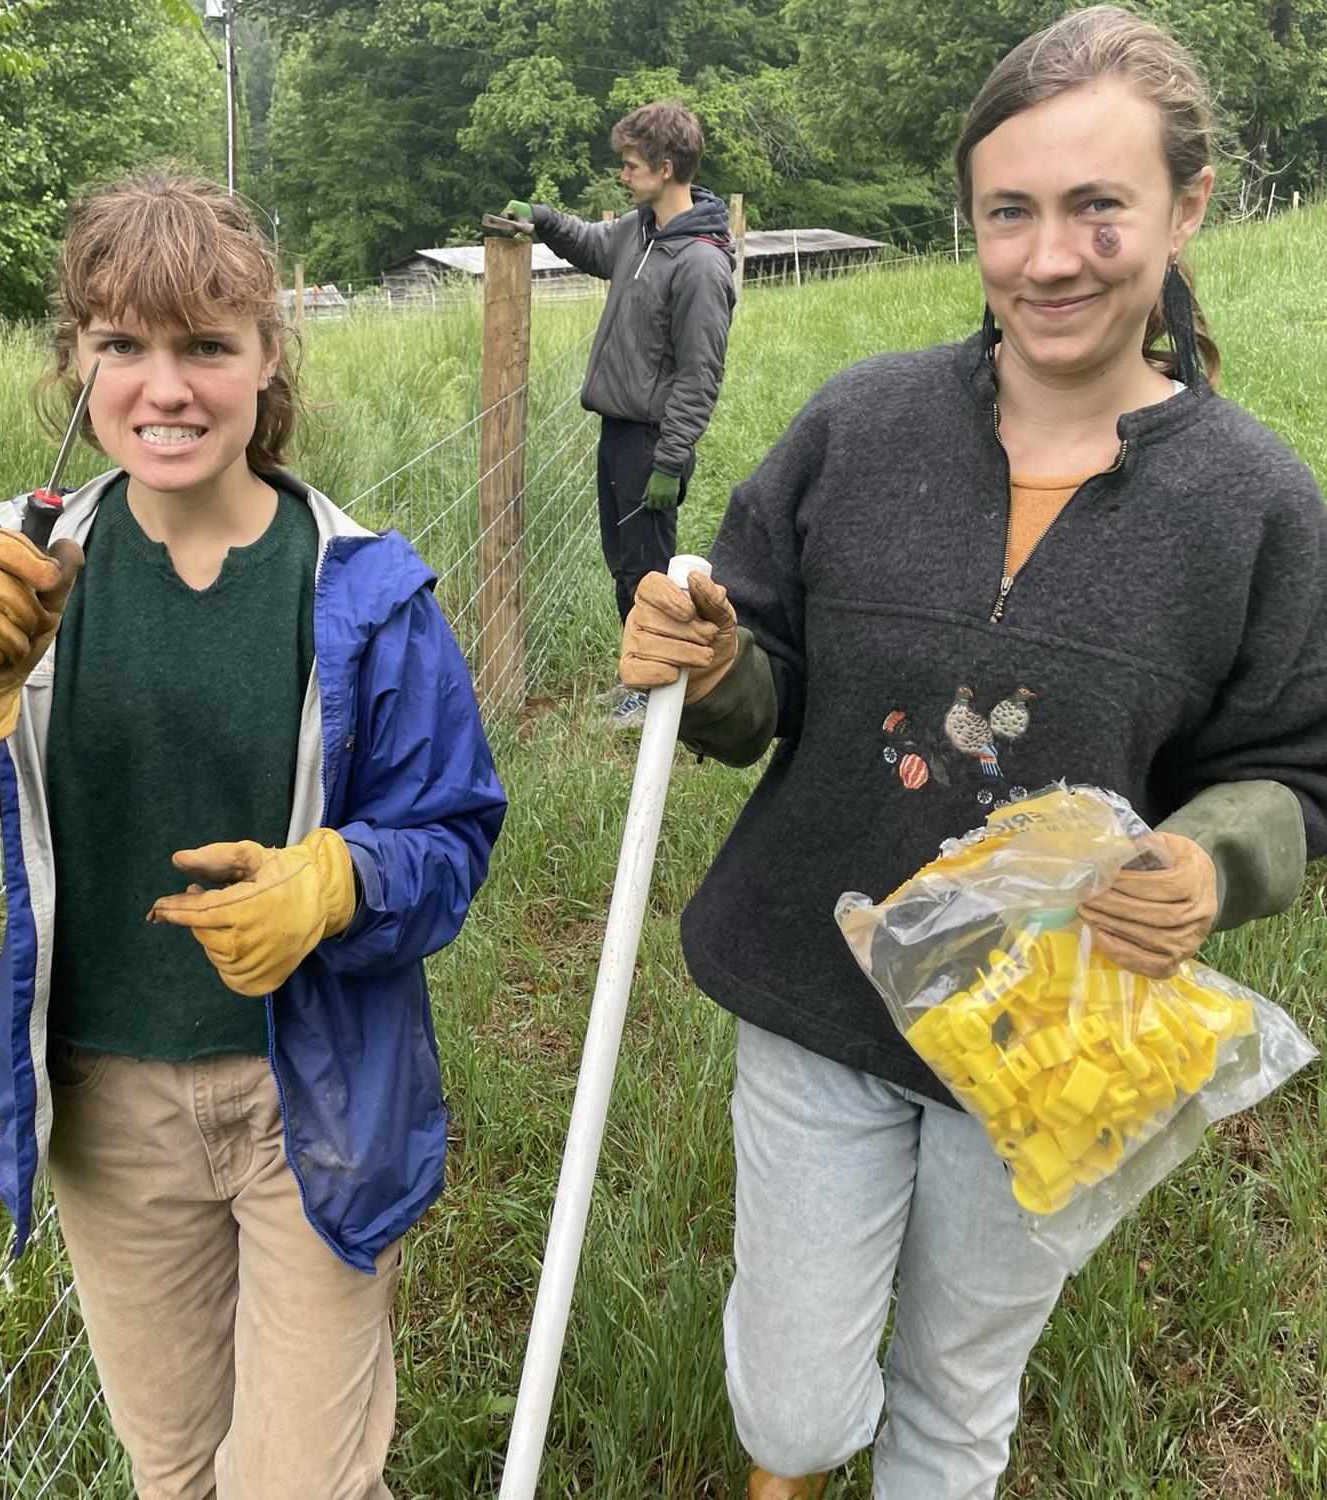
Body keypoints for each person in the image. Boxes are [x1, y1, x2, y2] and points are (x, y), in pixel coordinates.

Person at [617, 9, 1327, 1498]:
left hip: (1057, 1036)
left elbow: (1298, 767)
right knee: (801, 1415)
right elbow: (767, 678)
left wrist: (1211, 859)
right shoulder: (859, 424)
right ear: (975, 220)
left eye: (1098, 208)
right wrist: (714, 659)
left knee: (954, 1390)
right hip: (817, 984)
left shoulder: (1256, 504)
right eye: (1011, 212)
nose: (1049, 257)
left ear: (1186, 209)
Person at [0, 174, 506, 1500]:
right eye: (121, 345)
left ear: (267, 360)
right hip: (109, 1115)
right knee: (176, 1473)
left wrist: (337, 881)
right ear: (75, 367)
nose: (166, 385)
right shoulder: (17, 584)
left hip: (307, 1099)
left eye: (206, 344)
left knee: (298, 1486)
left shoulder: (368, 594)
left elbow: (454, 836)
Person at [501, 99, 737, 728]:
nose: (623, 175)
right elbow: (590, 242)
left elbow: (700, 373)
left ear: (665, 167)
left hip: (652, 441)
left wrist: (670, 459)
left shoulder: (701, 263)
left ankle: (659, 693)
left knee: (649, 573)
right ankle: (639, 676)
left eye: (631, 165)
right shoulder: (641, 231)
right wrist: (543, 220)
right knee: (625, 565)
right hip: (617, 430)